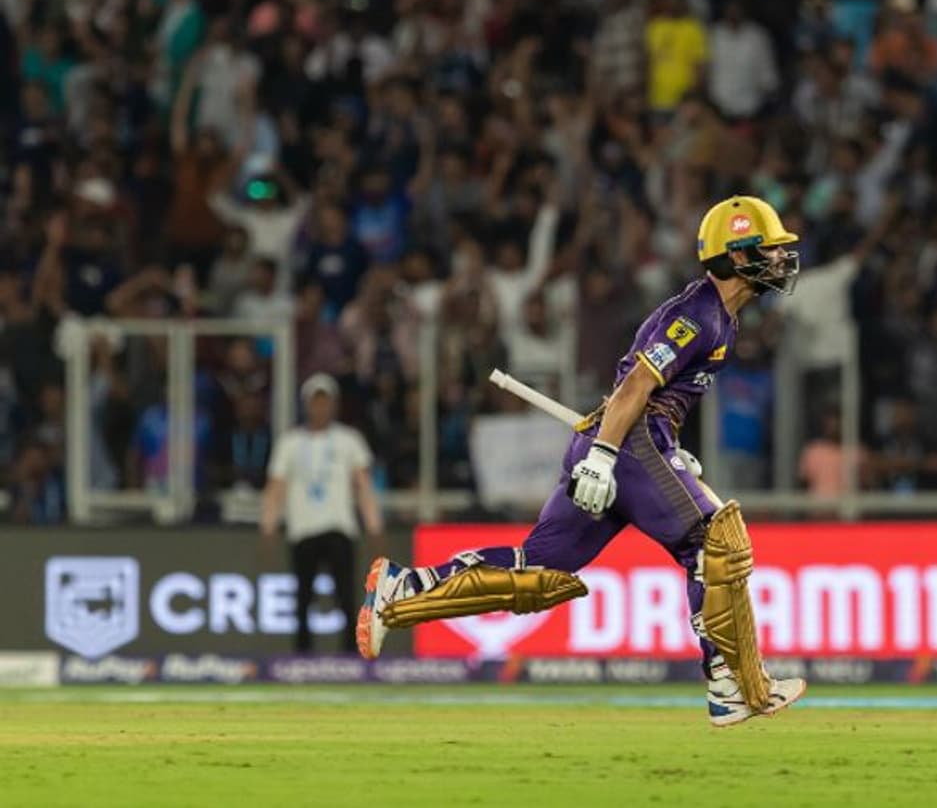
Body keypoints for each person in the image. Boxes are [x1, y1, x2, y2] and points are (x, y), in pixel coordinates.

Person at [358, 196, 806, 727]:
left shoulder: (720, 318)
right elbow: (636, 386)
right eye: (768, 248)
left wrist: (661, 446)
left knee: (538, 571)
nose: (779, 259)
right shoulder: (699, 315)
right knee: (715, 544)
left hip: (630, 441)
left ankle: (404, 590)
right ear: (736, 255)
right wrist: (606, 454)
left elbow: (658, 395)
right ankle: (728, 683)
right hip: (629, 442)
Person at [260, 373, 384, 654]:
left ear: (334, 404)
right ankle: (302, 655)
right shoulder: (290, 443)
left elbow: (364, 486)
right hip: (303, 529)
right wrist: (268, 526)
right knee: (302, 598)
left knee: (346, 595)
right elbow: (275, 489)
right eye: (315, 402)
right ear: (306, 405)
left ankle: (351, 654)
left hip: (339, 527)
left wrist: (374, 525)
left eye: (325, 402)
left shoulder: (349, 440)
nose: (320, 408)